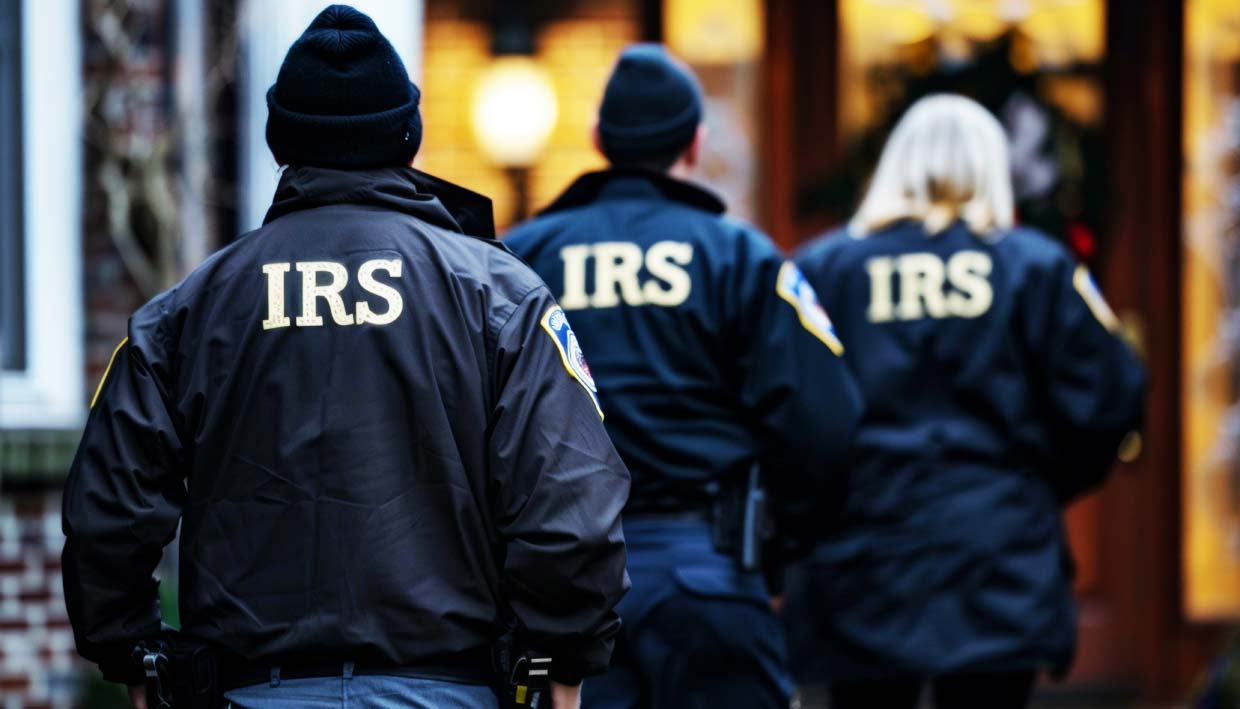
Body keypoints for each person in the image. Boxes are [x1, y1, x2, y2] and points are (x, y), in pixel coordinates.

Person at [61, 6, 630, 709]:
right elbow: (569, 505)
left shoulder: (189, 309)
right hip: (446, 691)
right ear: (409, 136)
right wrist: (561, 662)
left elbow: (108, 509)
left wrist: (133, 658)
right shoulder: (501, 297)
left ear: (279, 140)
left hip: (251, 693)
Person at [503, 44, 864, 709]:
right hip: (712, 573)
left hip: (564, 591)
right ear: (695, 144)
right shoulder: (743, 258)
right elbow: (827, 424)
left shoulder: (519, 260)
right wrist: (780, 548)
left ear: (597, 140)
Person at [784, 94, 1148, 709]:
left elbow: (783, 407)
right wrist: (1035, 484)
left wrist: (820, 501)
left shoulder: (826, 271)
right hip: (999, 557)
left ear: (892, 164)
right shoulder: (1035, 267)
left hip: (862, 563)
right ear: (992, 166)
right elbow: (1112, 397)